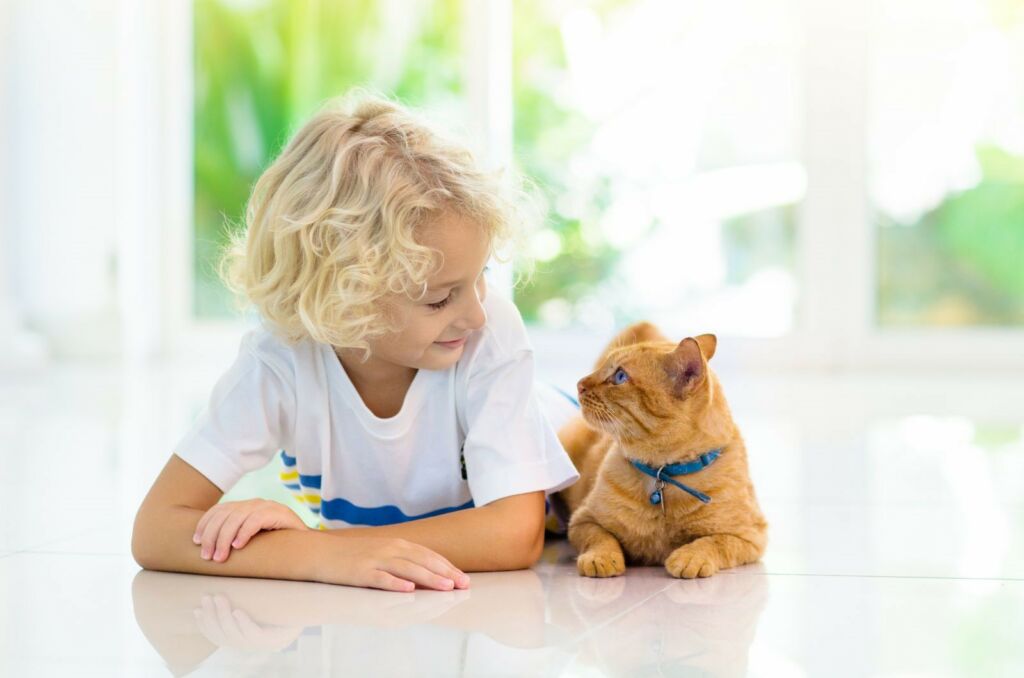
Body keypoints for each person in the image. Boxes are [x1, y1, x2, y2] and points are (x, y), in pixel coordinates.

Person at [131, 91, 580, 593]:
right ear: (343, 299)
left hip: (583, 443)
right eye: (438, 299)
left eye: (481, 277)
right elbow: (154, 531)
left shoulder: (489, 330)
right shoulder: (281, 361)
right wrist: (318, 554)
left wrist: (328, 548)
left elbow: (514, 536)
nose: (474, 312)